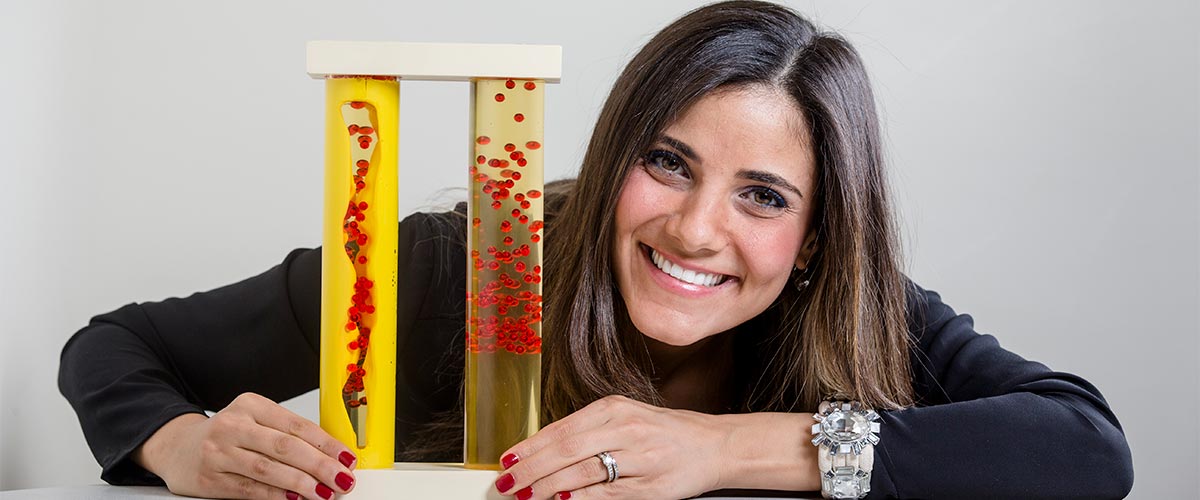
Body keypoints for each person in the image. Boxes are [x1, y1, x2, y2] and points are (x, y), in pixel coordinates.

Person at [59, 1, 1135, 499]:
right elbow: (113, 349)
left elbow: (1084, 445)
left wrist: (721, 449)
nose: (696, 227)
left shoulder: (851, 305)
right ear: (614, 148)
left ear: (815, 242)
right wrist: (179, 446)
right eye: (667, 162)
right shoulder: (457, 267)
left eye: (762, 194)